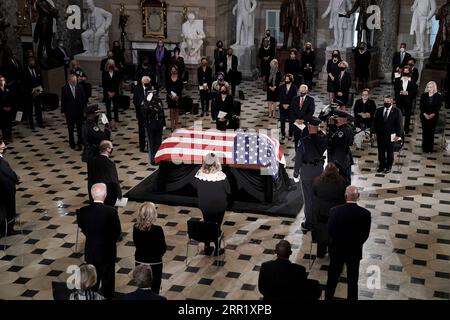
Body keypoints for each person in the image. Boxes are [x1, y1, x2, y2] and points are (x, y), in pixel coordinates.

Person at [325, 186, 371, 300]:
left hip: (337, 250)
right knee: (352, 281)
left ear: (345, 196)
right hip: (354, 251)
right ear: (358, 196)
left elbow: (330, 231)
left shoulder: (334, 211)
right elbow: (365, 235)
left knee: (332, 279)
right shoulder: (365, 213)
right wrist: (355, 244)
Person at [77, 183, 122, 299]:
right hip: (108, 252)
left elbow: (83, 227)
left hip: (91, 251)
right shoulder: (111, 212)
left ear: (92, 195)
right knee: (108, 282)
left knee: (92, 281)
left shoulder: (82, 211)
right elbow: (117, 232)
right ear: (105, 195)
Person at [293, 117, 328, 234]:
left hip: (307, 172)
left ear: (308, 127)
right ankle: (317, 219)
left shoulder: (303, 141)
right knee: (317, 197)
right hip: (319, 170)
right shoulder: (322, 139)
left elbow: (298, 159)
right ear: (317, 128)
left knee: (308, 198)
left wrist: (296, 173)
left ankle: (309, 223)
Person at [193, 153, 231, 255]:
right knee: (217, 225)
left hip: (204, 205)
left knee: (207, 223)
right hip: (219, 206)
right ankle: (217, 248)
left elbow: (196, 187)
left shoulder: (199, 175)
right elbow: (228, 191)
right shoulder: (221, 176)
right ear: (216, 163)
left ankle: (207, 246)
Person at [312, 163, 348, 258]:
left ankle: (321, 253)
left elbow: (315, 195)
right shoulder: (342, 182)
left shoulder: (317, 181)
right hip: (336, 213)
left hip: (322, 212)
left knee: (322, 233)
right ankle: (333, 253)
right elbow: (344, 197)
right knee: (334, 234)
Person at [133, 202, 167, 294]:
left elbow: (136, 244)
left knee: (141, 287)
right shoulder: (158, 229)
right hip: (155, 263)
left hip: (140, 261)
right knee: (155, 289)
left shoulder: (135, 227)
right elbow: (163, 248)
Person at [372, 95, 403, 174]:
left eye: (388, 102)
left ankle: (389, 166)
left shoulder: (397, 111)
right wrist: (374, 132)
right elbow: (375, 123)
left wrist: (398, 135)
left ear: (392, 102)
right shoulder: (379, 110)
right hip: (380, 135)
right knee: (381, 152)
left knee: (390, 152)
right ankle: (381, 166)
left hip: (391, 135)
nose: (386, 103)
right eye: (385, 101)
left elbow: (399, 124)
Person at [87, 140, 122, 207]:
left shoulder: (91, 161)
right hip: (108, 195)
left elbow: (90, 179)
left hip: (96, 193)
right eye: (111, 147)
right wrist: (119, 195)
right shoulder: (110, 163)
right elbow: (114, 180)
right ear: (108, 149)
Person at [61, 74, 87, 150]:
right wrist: (63, 111)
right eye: (73, 81)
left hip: (79, 112)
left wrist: (85, 110)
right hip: (69, 113)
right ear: (69, 81)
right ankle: (72, 142)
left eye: (76, 81)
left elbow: (84, 100)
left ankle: (80, 142)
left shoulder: (80, 87)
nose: (75, 83)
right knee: (70, 129)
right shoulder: (64, 89)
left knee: (80, 128)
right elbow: (63, 101)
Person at [0, 136, 19, 238]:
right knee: (9, 211)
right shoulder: (0, 161)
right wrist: (16, 178)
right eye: (2, 143)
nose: (4, 145)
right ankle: (8, 230)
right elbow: (9, 173)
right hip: (6, 190)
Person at [142, 83, 165, 165]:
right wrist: (148, 102)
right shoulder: (145, 101)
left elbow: (162, 112)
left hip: (158, 124)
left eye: (154, 91)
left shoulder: (158, 100)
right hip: (150, 125)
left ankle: (158, 158)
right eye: (151, 91)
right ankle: (152, 159)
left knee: (158, 142)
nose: (153, 92)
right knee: (151, 143)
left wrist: (164, 124)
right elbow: (144, 112)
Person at [328, 110, 354, 182]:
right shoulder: (348, 128)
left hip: (341, 160)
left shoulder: (341, 132)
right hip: (346, 157)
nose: (335, 120)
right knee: (347, 178)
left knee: (343, 179)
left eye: (336, 119)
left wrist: (336, 160)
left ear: (339, 120)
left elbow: (338, 147)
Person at [420, 81, 442, 153]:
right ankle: (424, 148)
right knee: (425, 132)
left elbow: (438, 107)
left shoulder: (438, 96)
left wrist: (432, 114)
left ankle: (430, 149)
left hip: (433, 116)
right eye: (428, 87)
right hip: (424, 116)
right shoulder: (424, 95)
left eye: (431, 87)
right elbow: (421, 107)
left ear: (434, 87)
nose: (429, 89)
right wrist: (425, 114)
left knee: (431, 133)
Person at [394, 65, 418, 134]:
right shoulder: (399, 79)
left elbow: (415, 90)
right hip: (400, 98)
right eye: (405, 70)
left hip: (408, 99)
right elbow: (396, 88)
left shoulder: (412, 79)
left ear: (409, 71)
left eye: (407, 70)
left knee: (408, 115)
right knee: (398, 114)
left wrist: (407, 92)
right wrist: (400, 91)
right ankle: (398, 128)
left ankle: (406, 129)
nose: (406, 71)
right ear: (403, 71)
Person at [24, 56, 44, 129]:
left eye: (33, 61)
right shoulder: (25, 71)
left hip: (38, 92)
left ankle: (40, 122)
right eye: (31, 61)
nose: (32, 62)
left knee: (38, 108)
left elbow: (41, 81)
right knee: (30, 109)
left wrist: (40, 91)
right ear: (28, 62)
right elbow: (25, 83)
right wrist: (32, 91)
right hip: (29, 93)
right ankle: (31, 124)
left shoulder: (37, 69)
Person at [133, 76, 152, 152]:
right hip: (140, 113)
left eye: (148, 82)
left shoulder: (151, 89)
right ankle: (142, 146)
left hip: (149, 113)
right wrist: (140, 105)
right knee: (141, 130)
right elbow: (135, 100)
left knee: (149, 130)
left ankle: (149, 146)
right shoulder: (138, 89)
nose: (147, 84)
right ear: (142, 82)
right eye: (145, 82)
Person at [278, 74, 298, 141]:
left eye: (287, 79)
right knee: (282, 121)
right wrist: (283, 104)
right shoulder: (281, 87)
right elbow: (279, 96)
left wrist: (289, 104)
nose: (286, 80)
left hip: (291, 107)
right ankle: (283, 134)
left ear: (291, 80)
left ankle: (290, 134)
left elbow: (294, 98)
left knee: (291, 121)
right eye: (285, 79)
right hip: (282, 106)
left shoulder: (294, 87)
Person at [102, 59, 122, 124]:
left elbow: (117, 83)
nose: (111, 66)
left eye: (112, 64)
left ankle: (116, 119)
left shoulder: (116, 72)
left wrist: (114, 92)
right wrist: (109, 92)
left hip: (115, 92)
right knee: (108, 107)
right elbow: (104, 84)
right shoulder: (104, 72)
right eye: (110, 64)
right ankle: (109, 119)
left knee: (116, 106)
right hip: (107, 92)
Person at [166, 65, 183, 131]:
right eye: (172, 70)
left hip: (177, 97)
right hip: (170, 97)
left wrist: (177, 96)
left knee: (176, 111)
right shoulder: (168, 78)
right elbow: (167, 88)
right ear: (170, 71)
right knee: (171, 111)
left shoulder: (179, 78)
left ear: (177, 71)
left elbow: (181, 88)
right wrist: (171, 96)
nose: (173, 71)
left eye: (174, 70)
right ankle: (172, 125)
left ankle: (176, 125)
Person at [0, 75, 13, 142]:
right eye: (1, 80)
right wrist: (3, 107)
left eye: (3, 80)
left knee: (9, 123)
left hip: (9, 108)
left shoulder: (7, 88)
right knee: (3, 124)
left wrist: (10, 107)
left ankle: (9, 136)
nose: (2, 81)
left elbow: (11, 98)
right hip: (2, 110)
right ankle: (5, 137)